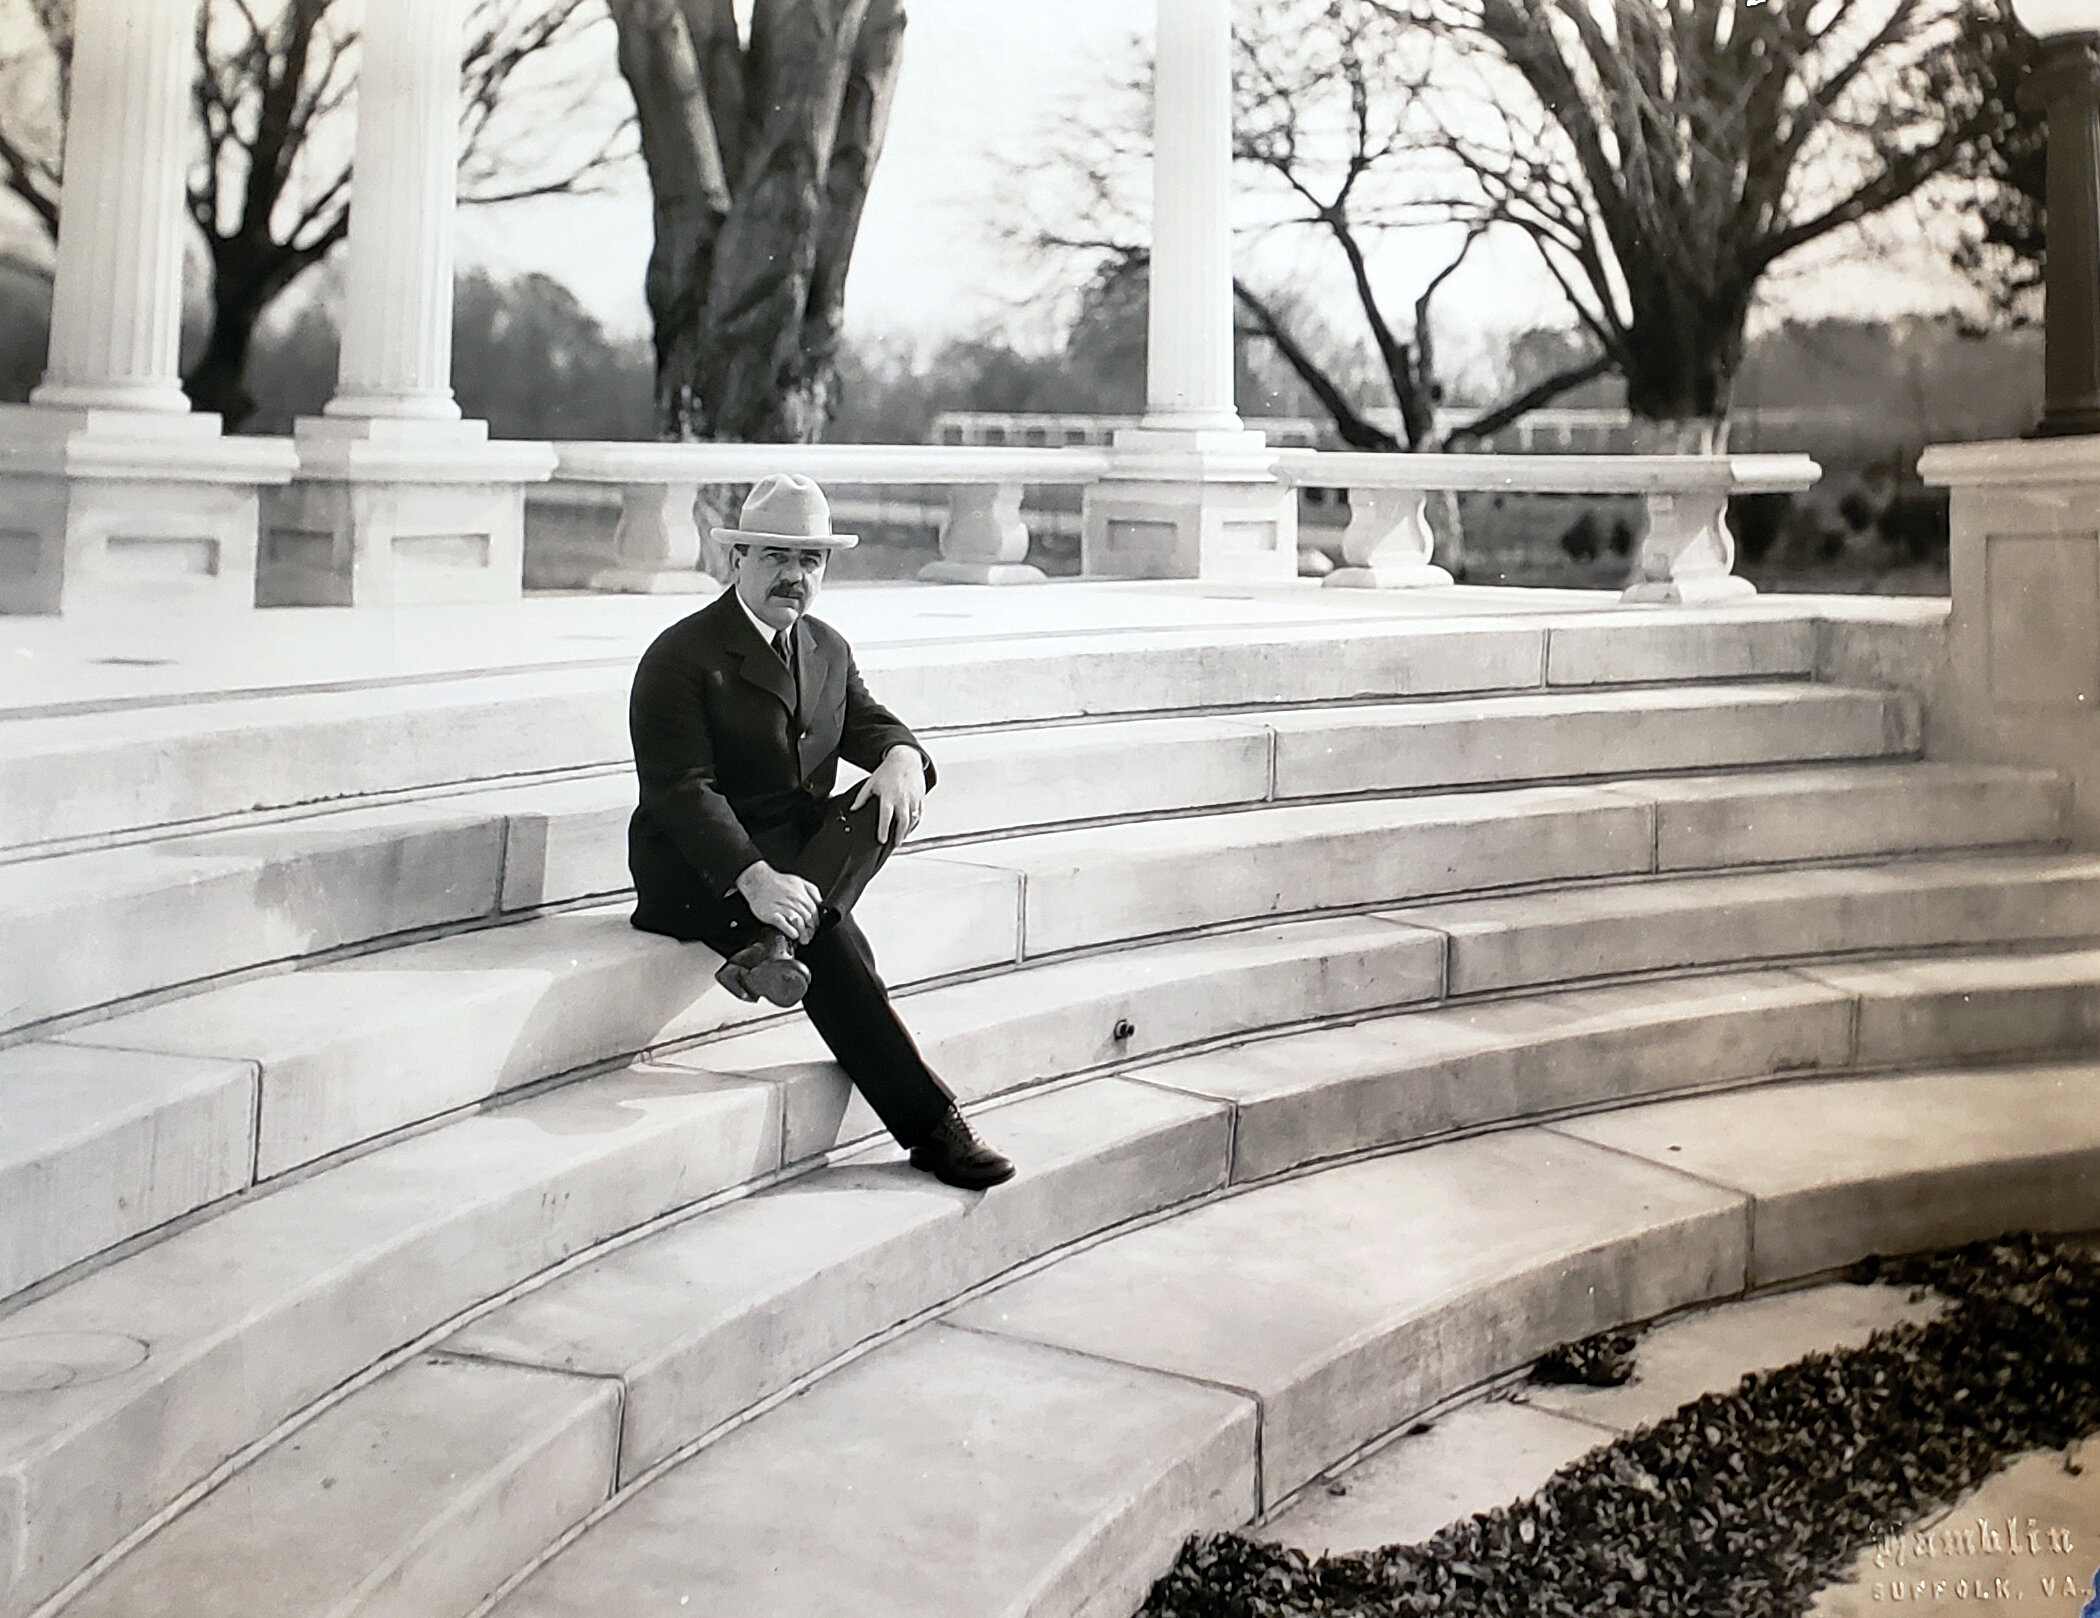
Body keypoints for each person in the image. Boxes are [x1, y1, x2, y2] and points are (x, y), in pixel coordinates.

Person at [625, 473, 1014, 1190]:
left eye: (809, 561)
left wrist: (901, 754)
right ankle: (934, 1130)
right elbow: (682, 793)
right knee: (834, 948)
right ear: (735, 558)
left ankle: (776, 945)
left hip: (799, 861)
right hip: (697, 868)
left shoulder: (826, 648)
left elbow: (867, 721)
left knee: (887, 794)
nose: (793, 576)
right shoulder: (681, 657)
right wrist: (755, 878)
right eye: (775, 555)